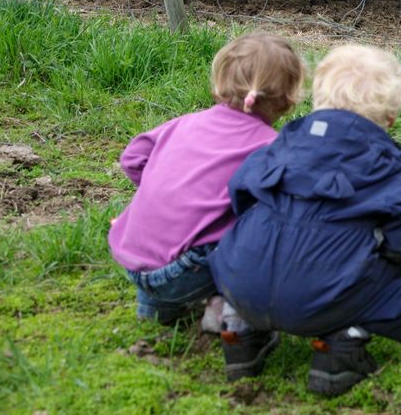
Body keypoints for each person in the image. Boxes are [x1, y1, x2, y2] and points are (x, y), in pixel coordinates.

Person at [209, 44, 401, 396]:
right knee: (396, 282)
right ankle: (340, 350)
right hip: (324, 297)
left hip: (240, 282)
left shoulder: (281, 143)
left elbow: (239, 191)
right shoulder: (388, 164)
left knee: (254, 256)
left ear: (316, 99)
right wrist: (381, 252)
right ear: (390, 117)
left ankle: (239, 330)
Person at [108, 32, 307, 381]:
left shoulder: (183, 124)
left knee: (205, 222)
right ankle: (235, 312)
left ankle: (154, 306)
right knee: (267, 226)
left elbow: (132, 158)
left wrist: (160, 189)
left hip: (133, 256)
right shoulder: (271, 147)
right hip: (187, 268)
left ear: (219, 84)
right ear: (288, 100)